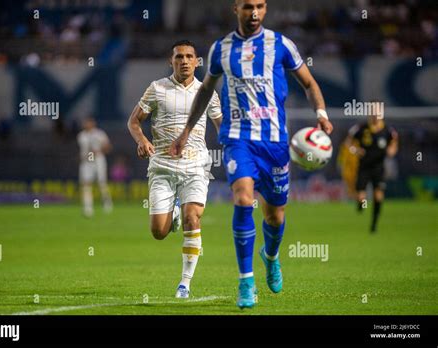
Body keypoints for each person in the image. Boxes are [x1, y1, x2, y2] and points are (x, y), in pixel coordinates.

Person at [169, 0, 333, 308]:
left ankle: (270, 257)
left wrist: (321, 113)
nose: (253, 12)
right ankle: (246, 282)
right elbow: (205, 90)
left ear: (266, 9)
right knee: (244, 199)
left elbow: (309, 83)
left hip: (274, 143)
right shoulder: (220, 49)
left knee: (275, 215)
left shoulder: (281, 45)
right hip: (238, 138)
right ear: (236, 9)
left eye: (259, 6)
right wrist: (186, 131)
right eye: (247, 7)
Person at [127, 40, 223, 298]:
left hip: (196, 165)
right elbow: (134, 121)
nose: (184, 61)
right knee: (159, 232)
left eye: (189, 56)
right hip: (162, 166)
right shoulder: (157, 88)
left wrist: (235, 146)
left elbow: (220, 126)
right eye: (179, 57)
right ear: (171, 61)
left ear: (197, 61)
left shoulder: (208, 92)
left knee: (194, 218)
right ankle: (173, 217)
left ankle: (185, 284)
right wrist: (143, 140)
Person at [345, 103, 399, 233]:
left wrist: (392, 150)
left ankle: (374, 224)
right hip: (363, 167)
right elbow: (348, 142)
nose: (375, 113)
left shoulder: (388, 130)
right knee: (361, 198)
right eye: (372, 110)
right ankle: (361, 205)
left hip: (378, 168)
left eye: (377, 110)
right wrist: (355, 150)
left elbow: (394, 142)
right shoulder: (361, 128)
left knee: (378, 196)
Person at [77, 117, 113, 217]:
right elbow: (82, 150)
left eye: (88, 122)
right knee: (86, 184)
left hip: (97, 160)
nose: (86, 124)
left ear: (93, 123)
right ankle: (88, 208)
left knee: (101, 183)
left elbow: (108, 147)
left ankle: (107, 203)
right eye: (85, 122)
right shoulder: (81, 136)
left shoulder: (99, 134)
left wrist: (98, 150)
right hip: (86, 162)